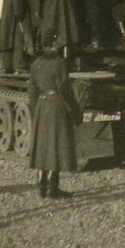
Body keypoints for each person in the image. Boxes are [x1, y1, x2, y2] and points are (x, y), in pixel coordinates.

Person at [28, 28, 83, 199]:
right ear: (54, 43)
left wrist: (36, 108)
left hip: (41, 106)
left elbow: (32, 90)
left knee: (43, 146)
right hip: (56, 106)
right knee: (55, 146)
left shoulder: (35, 63)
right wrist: (76, 113)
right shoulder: (60, 63)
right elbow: (65, 89)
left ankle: (41, 186)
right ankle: (53, 188)